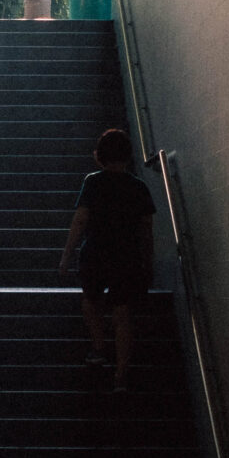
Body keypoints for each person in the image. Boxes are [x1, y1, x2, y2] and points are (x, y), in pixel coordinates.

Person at [58, 127, 155, 391]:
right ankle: (121, 377)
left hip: (96, 253)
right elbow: (146, 231)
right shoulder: (139, 187)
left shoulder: (93, 181)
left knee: (90, 299)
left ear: (99, 156)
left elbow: (80, 220)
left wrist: (66, 256)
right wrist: (149, 262)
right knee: (123, 314)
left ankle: (99, 346)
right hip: (127, 257)